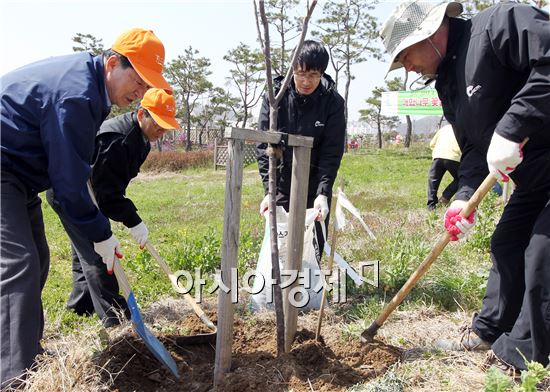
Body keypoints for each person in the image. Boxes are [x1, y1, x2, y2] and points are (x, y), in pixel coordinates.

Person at [381, 0, 550, 375]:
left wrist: (514, 125)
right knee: (507, 243)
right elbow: (472, 150)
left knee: (542, 254)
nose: (407, 67)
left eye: (405, 56)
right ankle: (492, 328)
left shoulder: (500, 25)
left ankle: (522, 358)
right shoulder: (447, 84)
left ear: (430, 32)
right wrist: (462, 198)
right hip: (534, 179)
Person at [0, 28, 171, 387]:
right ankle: (14, 377)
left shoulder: (90, 86)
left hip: (21, 174)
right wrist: (101, 234)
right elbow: (67, 187)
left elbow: (75, 169)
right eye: (137, 81)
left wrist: (102, 231)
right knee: (20, 263)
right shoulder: (77, 95)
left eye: (145, 87)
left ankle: (24, 350)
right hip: (5, 168)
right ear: (113, 63)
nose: (139, 93)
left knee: (39, 258)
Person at [46, 88, 180, 327]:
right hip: (71, 194)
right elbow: (106, 195)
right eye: (158, 125)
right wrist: (132, 220)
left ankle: (80, 306)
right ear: (141, 115)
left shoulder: (142, 139)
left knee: (83, 250)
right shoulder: (116, 140)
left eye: (166, 127)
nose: (161, 132)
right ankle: (117, 320)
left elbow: (114, 185)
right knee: (99, 255)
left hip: (89, 194)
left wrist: (129, 217)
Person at [256, 40, 346, 256]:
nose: (306, 81)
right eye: (300, 74)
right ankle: (279, 288)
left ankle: (308, 288)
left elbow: (331, 151)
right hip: (282, 181)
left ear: (322, 73)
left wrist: (323, 193)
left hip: (314, 183)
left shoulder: (332, 103)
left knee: (313, 244)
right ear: (292, 70)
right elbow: (264, 145)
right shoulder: (275, 97)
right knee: (280, 245)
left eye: (313, 75)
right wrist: (270, 190)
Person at [427, 124, 461, 210]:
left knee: (433, 181)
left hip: (437, 156)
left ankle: (431, 206)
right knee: (461, 178)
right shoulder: (463, 127)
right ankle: (445, 198)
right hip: (454, 157)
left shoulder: (444, 128)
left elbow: (432, 144)